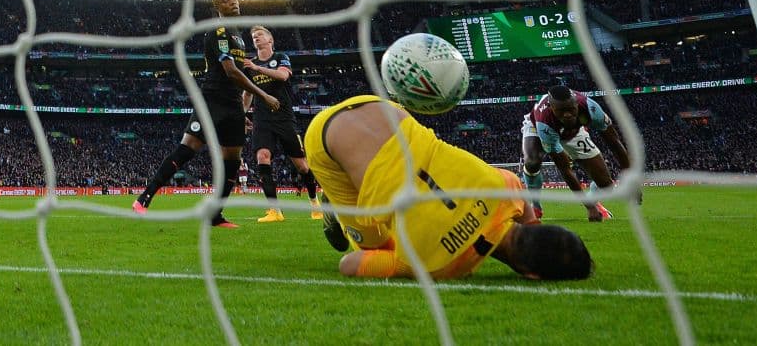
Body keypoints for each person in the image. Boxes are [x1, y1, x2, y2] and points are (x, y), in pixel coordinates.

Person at [304, 94, 593, 280]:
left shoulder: (509, 187)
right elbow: (347, 265)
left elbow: (525, 214)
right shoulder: (435, 266)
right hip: (323, 139)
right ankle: (341, 209)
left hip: (380, 108)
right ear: (532, 275)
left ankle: (341, 203)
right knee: (376, 245)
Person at [132, 0, 280, 228]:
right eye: (226, 0)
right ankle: (144, 198)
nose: (233, 3)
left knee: (233, 159)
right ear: (217, 7)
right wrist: (263, 95)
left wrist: (242, 112)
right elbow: (231, 71)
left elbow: (239, 75)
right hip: (212, 101)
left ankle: (215, 215)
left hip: (232, 104)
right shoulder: (218, 31)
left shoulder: (239, 36)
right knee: (188, 148)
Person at [242, 25, 322, 222]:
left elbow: (283, 75)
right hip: (262, 118)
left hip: (284, 117)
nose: (256, 38)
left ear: (270, 40)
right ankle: (274, 211)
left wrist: (258, 68)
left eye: (260, 35)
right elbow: (247, 93)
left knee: (301, 166)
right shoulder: (250, 65)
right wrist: (242, 114)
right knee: (262, 156)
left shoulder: (280, 57)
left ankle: (314, 202)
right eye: (254, 37)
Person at [521, 86, 635, 222]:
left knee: (606, 186)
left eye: (570, 109)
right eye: (561, 111)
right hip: (537, 127)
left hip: (573, 132)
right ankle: (535, 205)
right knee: (532, 162)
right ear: (552, 108)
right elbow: (565, 169)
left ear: (576, 103)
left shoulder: (590, 108)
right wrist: (589, 208)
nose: (567, 114)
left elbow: (614, 142)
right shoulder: (545, 122)